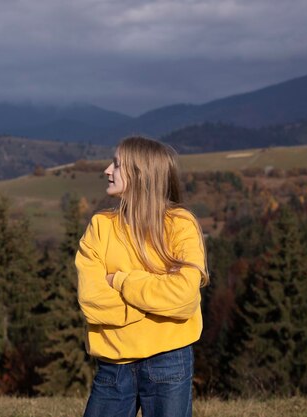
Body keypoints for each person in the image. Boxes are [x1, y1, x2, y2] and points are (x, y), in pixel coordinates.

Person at [76, 136, 209, 417]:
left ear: (140, 174)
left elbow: (184, 297)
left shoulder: (180, 225)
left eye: (116, 164)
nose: (107, 171)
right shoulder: (100, 227)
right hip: (114, 364)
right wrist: (157, 304)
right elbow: (92, 301)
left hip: (169, 360)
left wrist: (121, 281)